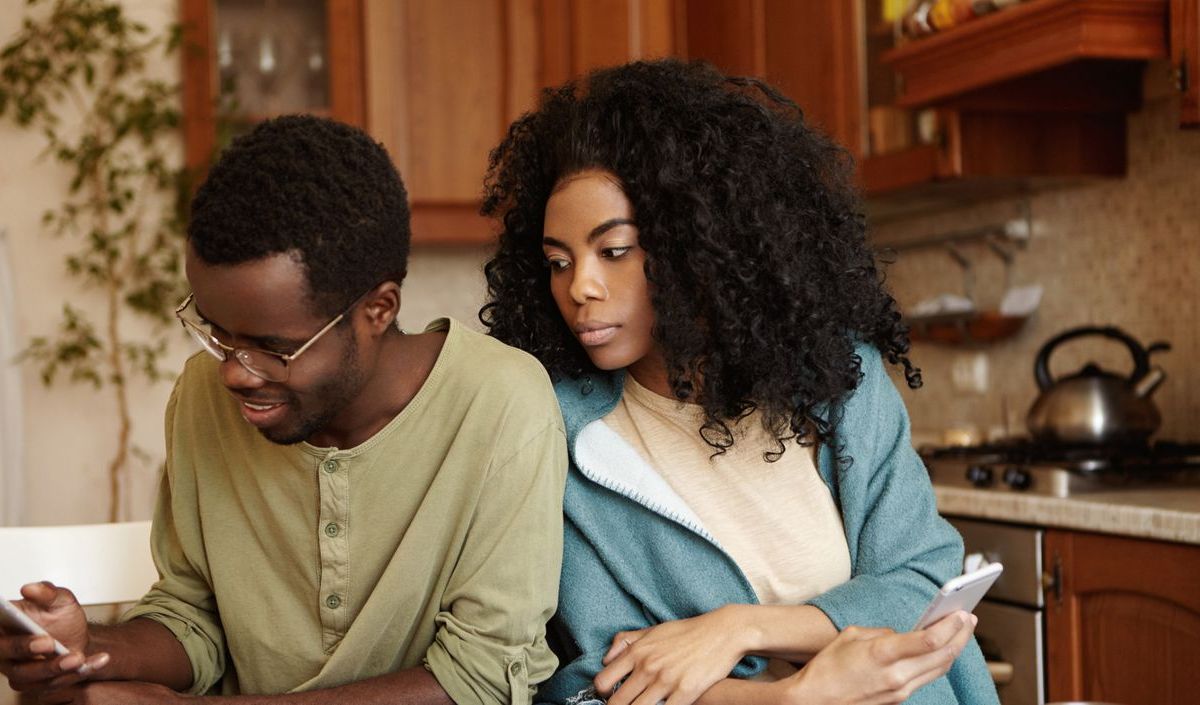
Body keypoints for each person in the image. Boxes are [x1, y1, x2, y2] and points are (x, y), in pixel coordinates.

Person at [479, 59, 1000, 705]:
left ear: (701, 246)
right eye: (558, 261)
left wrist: (736, 629)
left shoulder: (840, 381)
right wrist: (796, 697)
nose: (579, 287)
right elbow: (598, 686)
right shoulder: (559, 434)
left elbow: (923, 575)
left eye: (613, 251)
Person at [0, 116, 568, 705]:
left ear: (377, 310)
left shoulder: (501, 405)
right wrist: (90, 649)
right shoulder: (202, 398)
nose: (234, 373)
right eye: (216, 334)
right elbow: (195, 619)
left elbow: (479, 681)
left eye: (273, 349)